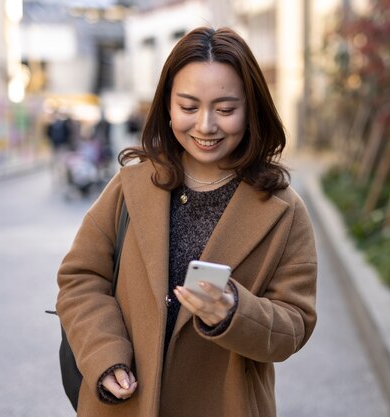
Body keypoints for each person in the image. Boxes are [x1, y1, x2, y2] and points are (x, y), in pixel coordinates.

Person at [55, 26, 317, 417]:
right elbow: (80, 278)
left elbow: (294, 324)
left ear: (252, 109)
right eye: (189, 107)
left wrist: (233, 312)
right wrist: (105, 355)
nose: (206, 126)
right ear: (167, 106)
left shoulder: (282, 209)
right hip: (127, 401)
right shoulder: (131, 185)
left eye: (226, 109)